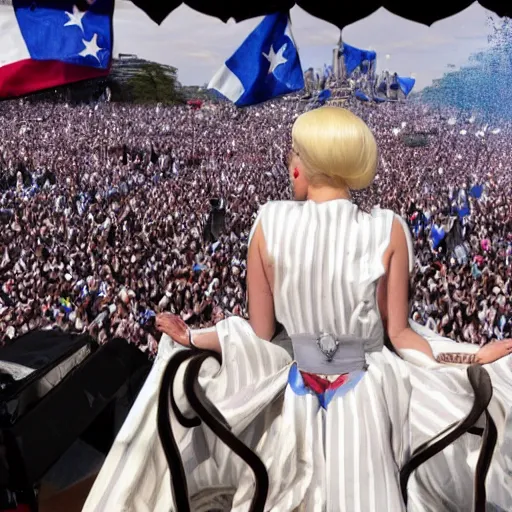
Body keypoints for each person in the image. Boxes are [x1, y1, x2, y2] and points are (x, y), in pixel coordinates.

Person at [83, 107, 512, 512]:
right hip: (372, 395)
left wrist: (195, 338)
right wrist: (471, 356)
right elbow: (401, 336)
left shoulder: (268, 222)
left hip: (296, 398)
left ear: (302, 163)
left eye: (293, 154)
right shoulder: (390, 228)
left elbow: (260, 331)